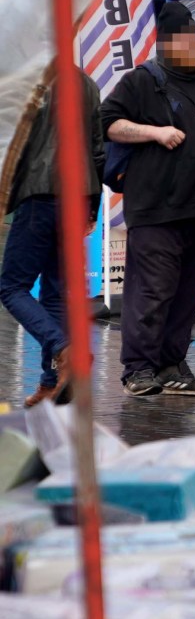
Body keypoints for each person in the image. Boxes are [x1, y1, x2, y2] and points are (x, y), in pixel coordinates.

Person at [101, 1, 195, 397]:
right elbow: (109, 123)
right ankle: (139, 369)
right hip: (157, 208)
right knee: (153, 290)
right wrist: (154, 133)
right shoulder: (142, 80)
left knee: (190, 293)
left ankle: (171, 364)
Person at [0, 69, 103, 407]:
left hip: (39, 194)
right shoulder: (87, 83)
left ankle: (64, 352)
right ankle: (52, 380)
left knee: (12, 287)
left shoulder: (29, 79)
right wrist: (92, 207)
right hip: (77, 196)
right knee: (55, 294)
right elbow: (97, 149)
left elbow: (13, 144)